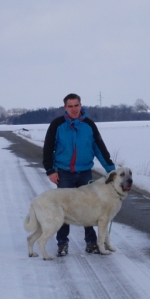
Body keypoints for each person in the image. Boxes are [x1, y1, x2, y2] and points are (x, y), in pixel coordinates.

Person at [43, 93, 116, 257]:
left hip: (85, 173)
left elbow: (99, 147)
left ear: (81, 105)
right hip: (64, 173)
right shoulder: (57, 124)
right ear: (65, 108)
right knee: (63, 210)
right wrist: (50, 170)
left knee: (90, 209)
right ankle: (62, 244)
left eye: (76, 105)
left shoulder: (89, 124)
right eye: (70, 106)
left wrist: (111, 170)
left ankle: (91, 243)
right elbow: (48, 148)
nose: (74, 109)